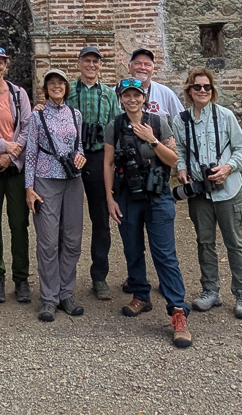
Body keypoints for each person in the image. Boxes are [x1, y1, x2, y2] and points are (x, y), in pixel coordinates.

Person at [105, 77, 192, 349]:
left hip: (157, 196)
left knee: (164, 254)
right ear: (120, 99)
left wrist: (152, 140)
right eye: (127, 95)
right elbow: (108, 163)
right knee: (132, 248)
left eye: (137, 95)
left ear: (144, 98)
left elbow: (173, 159)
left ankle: (178, 311)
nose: (132, 100)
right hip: (127, 196)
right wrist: (109, 198)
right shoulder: (115, 126)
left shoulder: (157, 122)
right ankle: (141, 294)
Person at [175, 68, 242, 319]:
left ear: (212, 90)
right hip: (200, 192)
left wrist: (227, 168)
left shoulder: (225, 116)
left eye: (207, 87)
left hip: (229, 189)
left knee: (235, 243)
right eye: (197, 87)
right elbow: (180, 149)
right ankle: (210, 290)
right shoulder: (181, 120)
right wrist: (182, 168)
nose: (202, 91)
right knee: (205, 242)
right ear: (189, 91)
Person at [26, 68, 87, 322]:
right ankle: (49, 298)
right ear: (46, 88)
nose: (56, 86)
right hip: (45, 179)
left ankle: (66, 293)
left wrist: (80, 156)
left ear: (66, 87)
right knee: (48, 241)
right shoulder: (37, 116)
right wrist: (29, 188)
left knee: (72, 240)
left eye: (60, 82)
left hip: (72, 180)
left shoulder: (75, 114)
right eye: (51, 82)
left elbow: (78, 144)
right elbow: (31, 152)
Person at [0, 45, 33, 304]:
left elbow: (27, 127)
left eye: (0, 62)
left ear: (6, 66)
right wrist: (2, 148)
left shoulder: (19, 94)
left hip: (15, 167)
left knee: (19, 223)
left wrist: (11, 155)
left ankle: (21, 278)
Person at [69, 46, 121, 300]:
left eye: (95, 61)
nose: (91, 65)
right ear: (79, 63)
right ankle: (64, 276)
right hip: (72, 158)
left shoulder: (109, 94)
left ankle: (99, 276)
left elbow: (115, 127)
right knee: (68, 218)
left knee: (100, 219)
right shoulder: (68, 90)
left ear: (101, 65)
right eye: (87, 60)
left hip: (99, 158)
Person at [128, 48, 185, 120]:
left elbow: (182, 122)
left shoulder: (166, 93)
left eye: (147, 64)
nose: (142, 67)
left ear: (153, 69)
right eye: (138, 63)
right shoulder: (117, 92)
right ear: (129, 67)